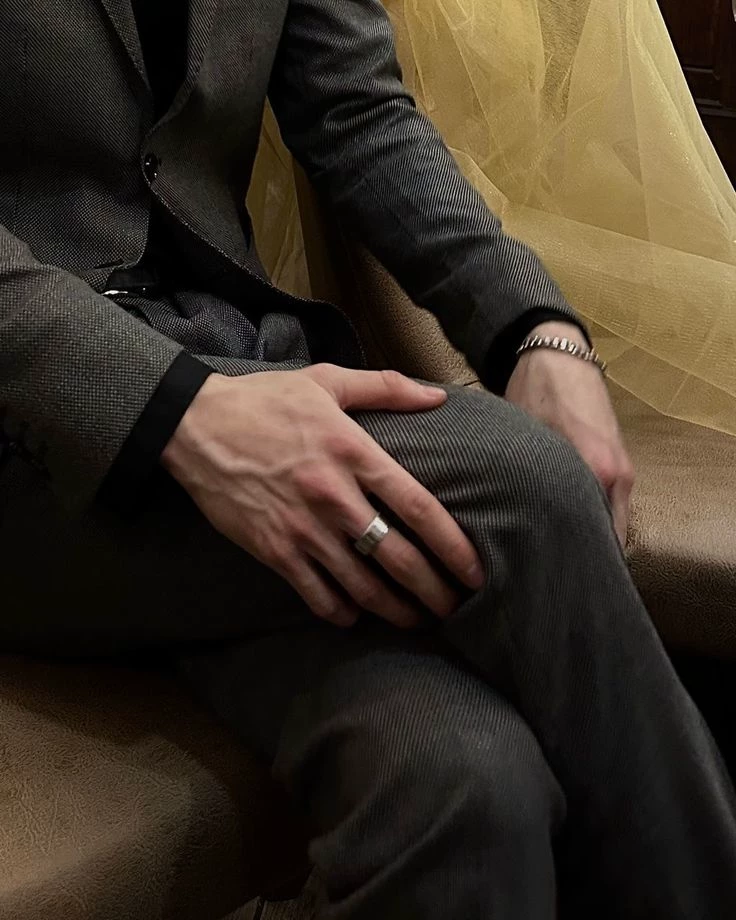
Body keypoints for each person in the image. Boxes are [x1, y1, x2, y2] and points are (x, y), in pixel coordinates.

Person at [0, 2, 734, 917]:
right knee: (524, 482)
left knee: (463, 789)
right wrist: (172, 408)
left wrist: (534, 330)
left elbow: (357, 111)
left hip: (243, 378)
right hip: (28, 443)